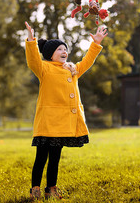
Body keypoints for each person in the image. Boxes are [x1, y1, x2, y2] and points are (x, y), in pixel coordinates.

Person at [24, 22, 108, 200]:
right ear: (50, 54)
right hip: (47, 123)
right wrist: (31, 42)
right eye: (59, 49)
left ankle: (51, 188)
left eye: (65, 49)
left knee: (55, 158)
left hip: (62, 124)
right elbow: (32, 60)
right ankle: (35, 189)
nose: (64, 52)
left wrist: (96, 43)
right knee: (41, 158)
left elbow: (87, 61)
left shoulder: (72, 70)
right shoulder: (44, 68)